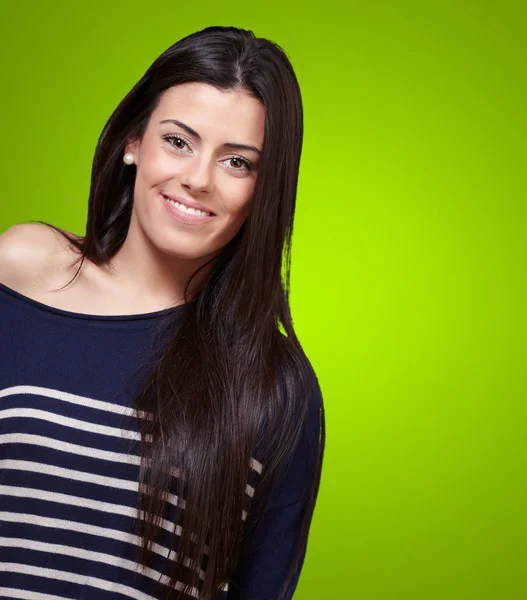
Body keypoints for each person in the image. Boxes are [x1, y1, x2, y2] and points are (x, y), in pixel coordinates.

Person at [0, 25, 325, 600]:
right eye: (179, 141)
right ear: (133, 141)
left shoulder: (276, 388)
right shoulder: (22, 270)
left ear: (264, 188)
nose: (198, 180)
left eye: (238, 163)